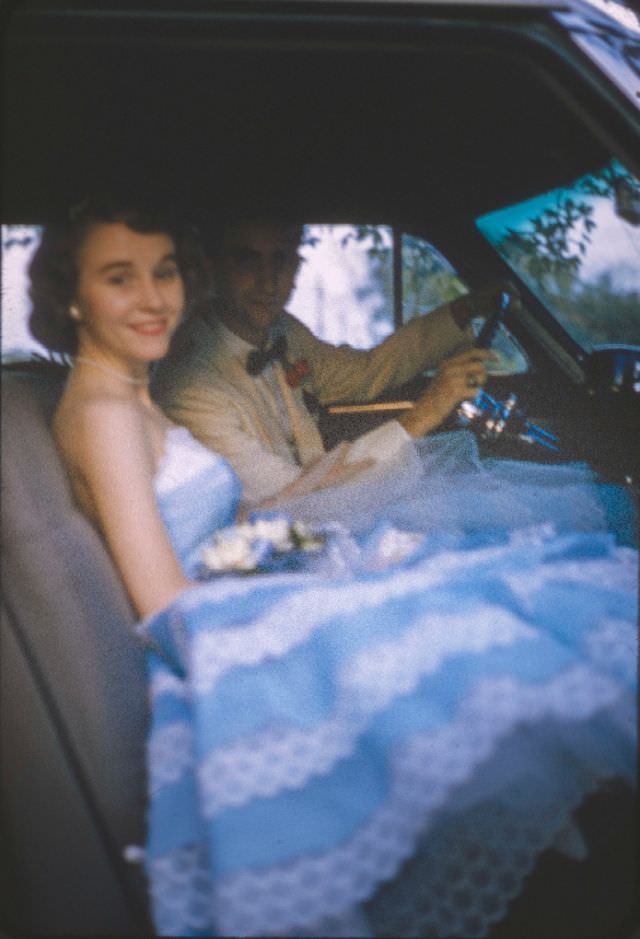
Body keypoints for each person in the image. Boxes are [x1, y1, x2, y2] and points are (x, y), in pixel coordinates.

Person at [31, 199, 636, 939]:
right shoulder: (107, 411)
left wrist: (315, 547)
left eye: (164, 273)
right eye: (120, 277)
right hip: (219, 619)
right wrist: (313, 578)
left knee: (482, 598)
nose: (155, 298)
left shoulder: (123, 393)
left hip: (244, 569)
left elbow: (236, 527)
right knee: (497, 623)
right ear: (69, 291)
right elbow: (167, 599)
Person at [152, 218, 504, 505]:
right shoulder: (188, 386)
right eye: (246, 259)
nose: (268, 280)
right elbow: (298, 501)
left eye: (280, 260)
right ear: (214, 269)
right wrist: (428, 410)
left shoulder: (283, 331)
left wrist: (460, 313)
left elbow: (364, 373)